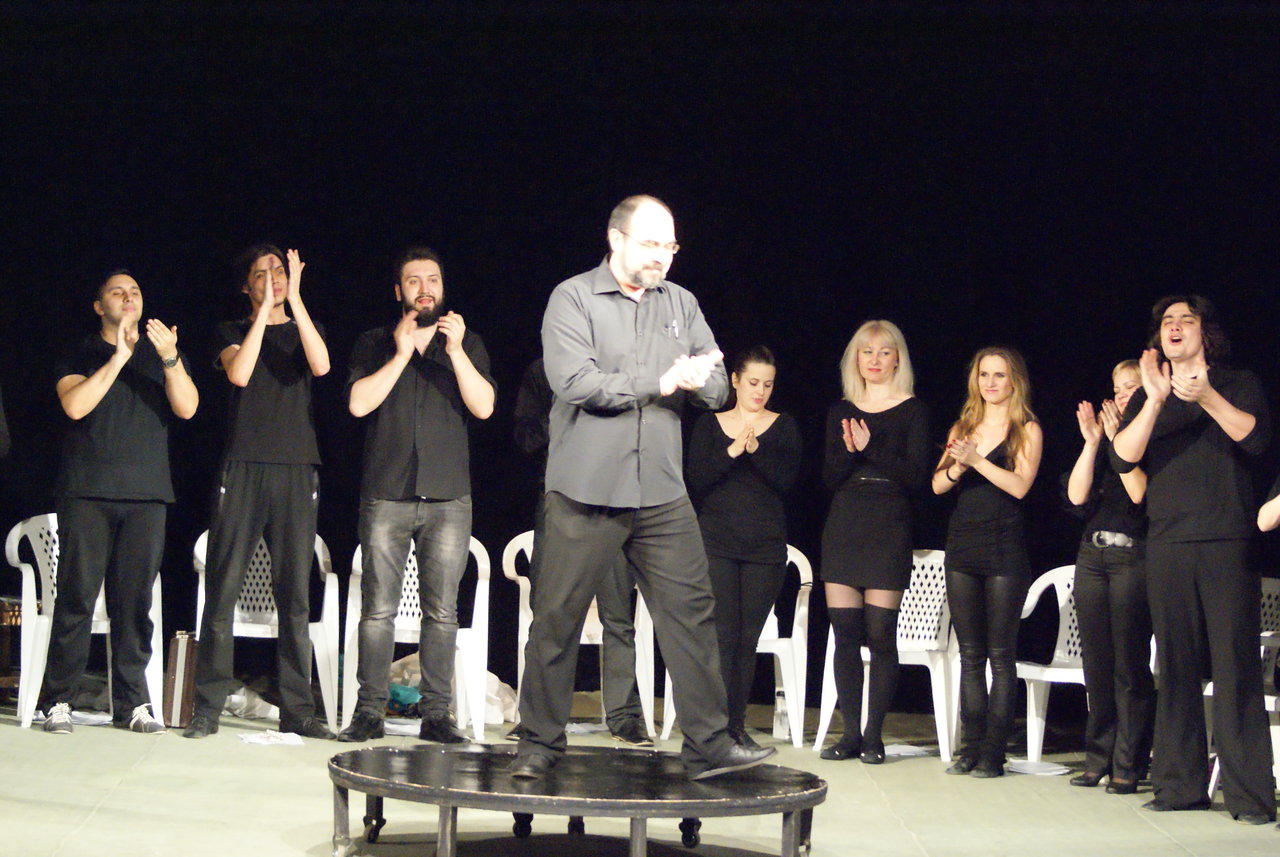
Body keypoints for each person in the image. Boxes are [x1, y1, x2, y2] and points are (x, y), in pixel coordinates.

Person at [511, 194, 774, 781]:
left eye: (669, 246)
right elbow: (577, 383)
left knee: (692, 615)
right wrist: (662, 381)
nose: (662, 257)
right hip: (586, 491)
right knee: (556, 618)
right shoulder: (572, 298)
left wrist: (698, 379)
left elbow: (718, 389)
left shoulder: (681, 304)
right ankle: (539, 742)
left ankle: (709, 744)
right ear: (616, 240)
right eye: (650, 244)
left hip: (660, 490)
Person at [1112, 296, 1275, 825]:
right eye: (1167, 321)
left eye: (1187, 320)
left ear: (1206, 331)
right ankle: (1179, 787)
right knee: (1176, 668)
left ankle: (1250, 796)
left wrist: (1204, 396)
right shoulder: (1149, 395)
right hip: (1167, 543)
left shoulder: (1237, 382)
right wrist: (1155, 400)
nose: (1175, 327)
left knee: (1235, 668)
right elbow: (1122, 456)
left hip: (1227, 542)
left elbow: (1257, 440)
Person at [338, 247, 495, 744]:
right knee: (378, 611)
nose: (425, 288)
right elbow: (358, 404)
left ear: (443, 288)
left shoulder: (466, 343)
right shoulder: (375, 342)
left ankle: (437, 715)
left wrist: (456, 352)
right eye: (414, 280)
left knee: (442, 613)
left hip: (448, 498)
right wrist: (402, 354)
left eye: (433, 279)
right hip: (387, 493)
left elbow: (485, 407)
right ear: (399, 291)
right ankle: (369, 711)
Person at [39, 270, 198, 734]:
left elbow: (188, 408)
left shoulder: (162, 353)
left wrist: (170, 359)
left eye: (135, 292)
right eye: (117, 292)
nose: (129, 298)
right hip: (87, 491)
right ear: (99, 306)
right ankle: (58, 700)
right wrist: (118, 358)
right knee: (77, 599)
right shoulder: (81, 351)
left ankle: (133, 704)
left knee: (134, 604)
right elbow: (74, 405)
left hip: (147, 494)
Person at [185, 245, 333, 740]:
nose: (272, 277)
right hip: (243, 466)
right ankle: (207, 707)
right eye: (261, 273)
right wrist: (263, 314)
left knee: (294, 595)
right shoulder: (231, 331)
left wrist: (296, 303)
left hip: (297, 469)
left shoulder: (306, 326)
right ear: (246, 286)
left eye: (279, 270)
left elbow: (321, 365)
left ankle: (298, 710)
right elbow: (240, 372)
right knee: (222, 588)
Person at [513, 357, 651, 747]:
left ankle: (624, 716)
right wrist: (563, 414)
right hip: (561, 501)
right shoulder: (544, 370)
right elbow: (525, 437)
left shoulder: (619, 364)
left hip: (614, 498)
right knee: (549, 614)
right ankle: (537, 717)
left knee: (618, 616)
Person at [817, 321, 929, 763]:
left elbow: (915, 477)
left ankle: (873, 736)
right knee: (845, 634)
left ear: (898, 359)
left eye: (885, 352)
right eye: (867, 351)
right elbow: (830, 478)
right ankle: (849, 735)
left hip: (888, 523)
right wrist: (851, 451)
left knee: (881, 634)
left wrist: (870, 448)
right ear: (856, 359)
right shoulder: (841, 409)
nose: (875, 359)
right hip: (845, 522)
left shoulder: (913, 410)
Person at [932, 346, 1042, 778]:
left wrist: (977, 460)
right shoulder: (964, 427)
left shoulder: (1026, 429)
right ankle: (970, 747)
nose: (990, 383)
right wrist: (960, 467)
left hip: (1004, 549)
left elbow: (1020, 487)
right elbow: (938, 485)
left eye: (999, 375)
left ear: (1014, 381)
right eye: (984, 375)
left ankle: (994, 752)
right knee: (970, 654)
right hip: (963, 546)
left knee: (1000, 654)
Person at [685, 345, 802, 750]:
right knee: (721, 637)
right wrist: (733, 451)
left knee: (746, 640)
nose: (760, 391)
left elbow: (787, 481)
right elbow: (696, 478)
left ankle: (736, 726)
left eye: (767, 385)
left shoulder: (783, 427)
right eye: (753, 382)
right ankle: (713, 729)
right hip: (716, 544)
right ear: (735, 381)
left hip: (763, 549)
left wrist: (757, 451)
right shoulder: (710, 425)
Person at [1063, 360, 1152, 794]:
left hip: (1132, 556)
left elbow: (1140, 495)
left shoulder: (1152, 437)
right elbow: (1076, 496)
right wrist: (1093, 443)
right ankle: (1097, 757)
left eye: (1131, 387)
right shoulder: (1104, 442)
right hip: (1092, 555)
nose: (1122, 396)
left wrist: (1117, 442)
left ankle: (1129, 763)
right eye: (1117, 389)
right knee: (1096, 664)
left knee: (1129, 665)